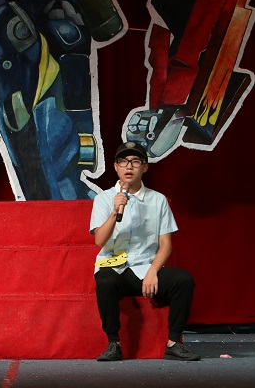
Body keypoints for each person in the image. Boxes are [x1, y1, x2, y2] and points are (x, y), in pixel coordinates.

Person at [89, 141, 200, 361]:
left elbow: (166, 244)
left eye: (135, 161)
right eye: (123, 161)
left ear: (145, 167)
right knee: (105, 281)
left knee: (183, 280)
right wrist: (115, 211)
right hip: (115, 269)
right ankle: (113, 344)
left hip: (146, 268)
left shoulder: (158, 200)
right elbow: (99, 241)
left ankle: (174, 343)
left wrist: (153, 271)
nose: (129, 166)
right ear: (116, 167)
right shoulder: (103, 199)